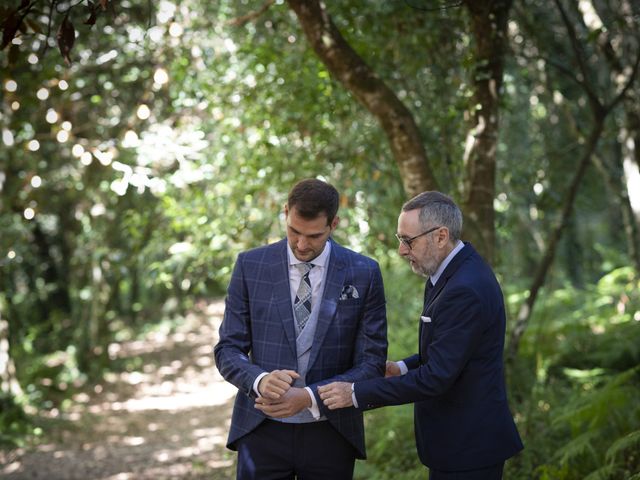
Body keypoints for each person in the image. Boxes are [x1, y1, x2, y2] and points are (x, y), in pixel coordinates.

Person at [319, 191, 523, 480]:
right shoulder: (450, 271)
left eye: (408, 240)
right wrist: (401, 367)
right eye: (399, 238)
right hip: (458, 443)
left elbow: (437, 376)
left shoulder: (464, 288)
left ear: (441, 236)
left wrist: (354, 394)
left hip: (469, 446)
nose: (402, 250)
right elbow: (450, 351)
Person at [214, 178, 388, 480]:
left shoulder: (364, 272)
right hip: (261, 428)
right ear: (285, 213)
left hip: (332, 432)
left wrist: (310, 397)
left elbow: (372, 362)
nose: (302, 244)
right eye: (294, 231)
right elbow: (228, 349)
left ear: (333, 223)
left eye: (314, 236)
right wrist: (259, 380)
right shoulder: (250, 265)